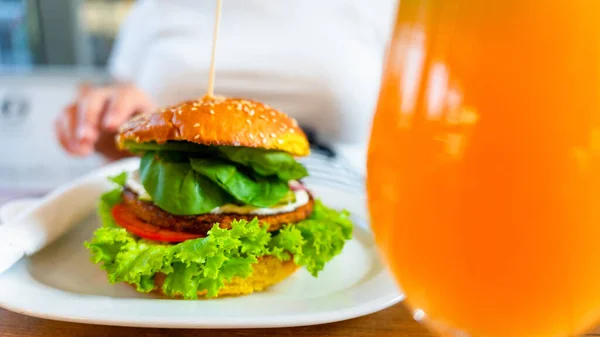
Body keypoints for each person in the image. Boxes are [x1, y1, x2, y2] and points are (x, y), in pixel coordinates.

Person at [55, 0, 397, 163]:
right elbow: (115, 140)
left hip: (355, 217)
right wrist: (102, 120)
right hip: (168, 193)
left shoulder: (377, 8)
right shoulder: (154, 10)